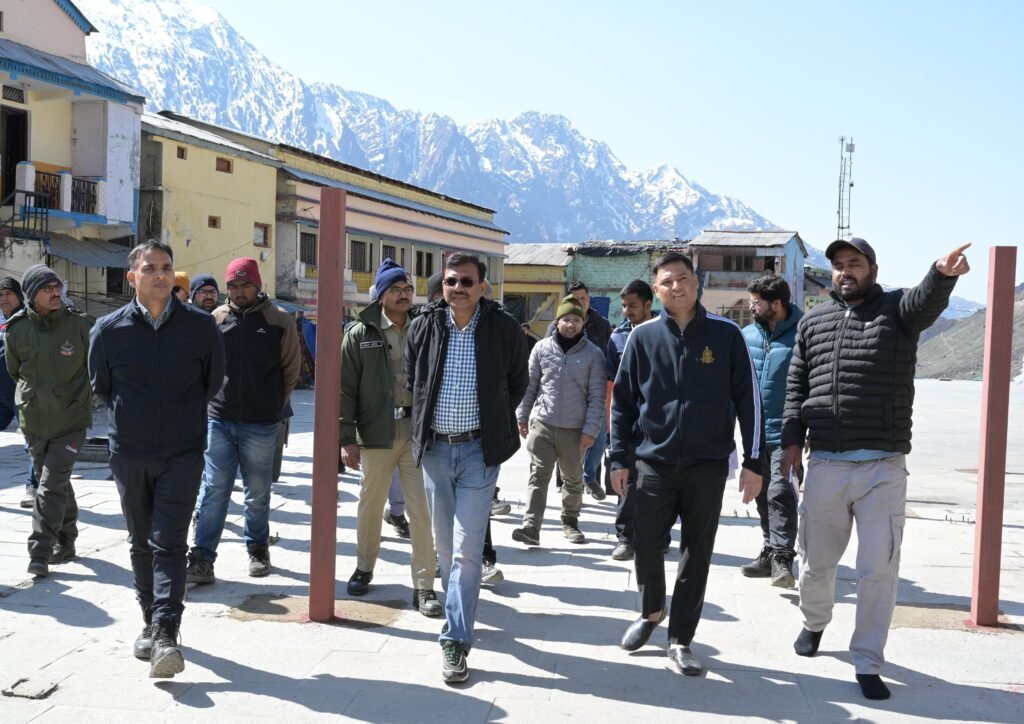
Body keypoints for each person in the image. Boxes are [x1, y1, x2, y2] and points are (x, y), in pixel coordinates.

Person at [781, 238, 970, 701]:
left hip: (882, 467)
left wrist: (941, 275)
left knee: (878, 570)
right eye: (838, 265)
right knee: (816, 562)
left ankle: (867, 660)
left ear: (873, 269)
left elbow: (925, 303)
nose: (845, 271)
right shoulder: (813, 321)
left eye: (855, 263)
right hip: (826, 463)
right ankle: (814, 621)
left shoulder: (897, 310)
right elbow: (796, 384)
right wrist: (790, 441)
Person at [610, 251, 762, 677]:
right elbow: (622, 404)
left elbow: (749, 400)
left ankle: (680, 639)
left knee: (696, 553)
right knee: (645, 544)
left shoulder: (727, 335)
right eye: (667, 281)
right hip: (652, 463)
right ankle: (651, 611)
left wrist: (754, 461)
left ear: (696, 283)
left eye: (682, 278)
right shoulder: (642, 338)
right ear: (656, 290)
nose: (676, 287)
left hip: (706, 464)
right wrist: (618, 458)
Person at [89, 239, 225, 678]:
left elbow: (212, 382)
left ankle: (166, 631)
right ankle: (149, 619)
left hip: (183, 452)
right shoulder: (108, 330)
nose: (161, 275)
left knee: (169, 542)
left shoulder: (201, 327)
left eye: (166, 267)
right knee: (140, 540)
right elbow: (102, 387)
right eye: (150, 268)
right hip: (130, 452)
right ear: (133, 277)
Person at [406, 253, 528, 683]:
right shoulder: (424, 325)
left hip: (479, 451)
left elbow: (517, 382)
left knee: (466, 550)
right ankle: (459, 607)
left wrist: (495, 421)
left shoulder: (503, 329)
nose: (457, 288)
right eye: (450, 281)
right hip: (435, 452)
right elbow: (413, 378)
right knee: (444, 549)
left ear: (482, 287)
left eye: (466, 282)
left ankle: (455, 640)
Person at [187, 258, 301, 583]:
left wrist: (274, 406)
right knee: (214, 490)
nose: (239, 292)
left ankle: (258, 549)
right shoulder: (216, 319)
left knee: (258, 492)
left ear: (257, 285)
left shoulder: (279, 320)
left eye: (245, 285)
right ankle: (202, 558)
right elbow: (202, 366)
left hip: (262, 424)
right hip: (219, 421)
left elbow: (291, 370)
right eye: (233, 286)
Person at [340, 258, 440, 616]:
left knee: (421, 510)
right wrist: (346, 438)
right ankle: (364, 567)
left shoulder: (425, 327)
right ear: (381, 294)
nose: (403, 295)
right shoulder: (359, 333)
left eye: (408, 289)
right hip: (375, 432)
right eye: (395, 289)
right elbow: (345, 389)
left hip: (416, 432)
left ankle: (424, 585)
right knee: (370, 505)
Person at [5, 265, 93, 579]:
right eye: (48, 288)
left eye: (58, 287)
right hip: (33, 420)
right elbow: (16, 371)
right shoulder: (16, 330)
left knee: (50, 483)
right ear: (32, 295)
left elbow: (96, 366)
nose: (56, 293)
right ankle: (66, 540)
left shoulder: (80, 325)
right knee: (54, 481)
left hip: (71, 420)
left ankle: (40, 550)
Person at [512, 294, 606, 547]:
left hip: (575, 429)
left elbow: (597, 397)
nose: (571, 324)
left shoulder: (594, 355)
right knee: (538, 476)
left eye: (576, 319)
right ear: (557, 321)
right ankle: (531, 526)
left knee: (572, 479)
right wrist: (522, 415)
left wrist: (590, 431)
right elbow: (529, 386)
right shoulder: (541, 348)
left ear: (583, 323)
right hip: (543, 424)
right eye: (566, 319)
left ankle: (570, 521)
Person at [740, 275, 804, 588]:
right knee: (762, 494)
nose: (751, 307)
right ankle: (769, 549)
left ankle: (782, 557)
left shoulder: (804, 332)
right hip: (754, 433)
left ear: (776, 304)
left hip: (788, 432)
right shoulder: (747, 335)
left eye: (756, 302)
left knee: (781, 492)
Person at [548, 281, 612, 500]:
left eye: (583, 298)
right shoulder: (557, 324)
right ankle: (566, 484)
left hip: (595, 392)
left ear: (589, 299)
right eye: (575, 299)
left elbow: (609, 355)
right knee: (566, 442)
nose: (580, 302)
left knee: (599, 439)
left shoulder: (601, 324)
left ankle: (589, 476)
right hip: (568, 394)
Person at [605, 279, 655, 561]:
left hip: (658, 423)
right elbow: (610, 384)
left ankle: (657, 536)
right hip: (628, 422)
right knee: (626, 479)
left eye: (632, 305)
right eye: (624, 306)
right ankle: (625, 537)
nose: (627, 311)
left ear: (648, 304)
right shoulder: (617, 338)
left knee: (657, 484)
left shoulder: (664, 332)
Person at [0, 277, 38, 509]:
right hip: (1, 394)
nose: (4, 298)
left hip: (22, 393)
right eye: (0, 295)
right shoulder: (1, 321)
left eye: (8, 294)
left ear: (19, 296)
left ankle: (33, 487)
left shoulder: (28, 321)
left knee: (32, 441)